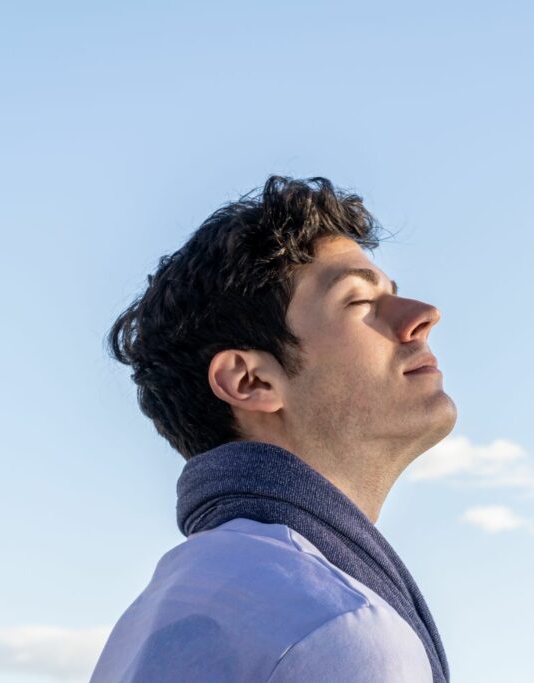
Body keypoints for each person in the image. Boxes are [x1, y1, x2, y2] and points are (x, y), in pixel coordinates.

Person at [90, 176, 456, 683]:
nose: (424, 315)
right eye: (358, 302)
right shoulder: (333, 629)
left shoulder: (167, 611)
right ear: (251, 380)